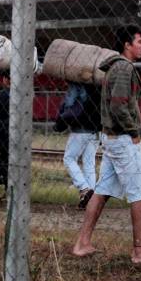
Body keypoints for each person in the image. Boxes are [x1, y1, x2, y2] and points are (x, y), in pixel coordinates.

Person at [72, 25, 141, 264]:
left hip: (111, 139)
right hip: (122, 139)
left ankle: (83, 243)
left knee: (103, 191)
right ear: (127, 45)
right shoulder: (123, 68)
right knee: (140, 192)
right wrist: (133, 132)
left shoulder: (115, 67)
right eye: (139, 41)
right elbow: (119, 105)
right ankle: (139, 249)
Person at [55, 81, 101, 210]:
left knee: (69, 158)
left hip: (80, 128)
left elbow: (69, 103)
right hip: (96, 129)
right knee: (89, 162)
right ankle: (90, 198)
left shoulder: (77, 83)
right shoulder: (97, 84)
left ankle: (84, 188)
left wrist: (61, 117)